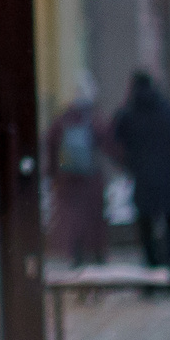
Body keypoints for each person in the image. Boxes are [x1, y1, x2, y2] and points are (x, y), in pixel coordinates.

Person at [110, 72, 170, 274]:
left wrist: (130, 164)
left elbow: (114, 143)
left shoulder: (127, 115)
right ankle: (168, 268)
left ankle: (151, 271)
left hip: (143, 182)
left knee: (146, 227)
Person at [44, 74, 111, 268]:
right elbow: (107, 142)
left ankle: (76, 254)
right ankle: (96, 254)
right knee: (93, 216)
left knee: (73, 218)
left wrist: (52, 172)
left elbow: (50, 143)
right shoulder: (93, 118)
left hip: (67, 179)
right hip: (90, 178)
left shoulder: (62, 119)